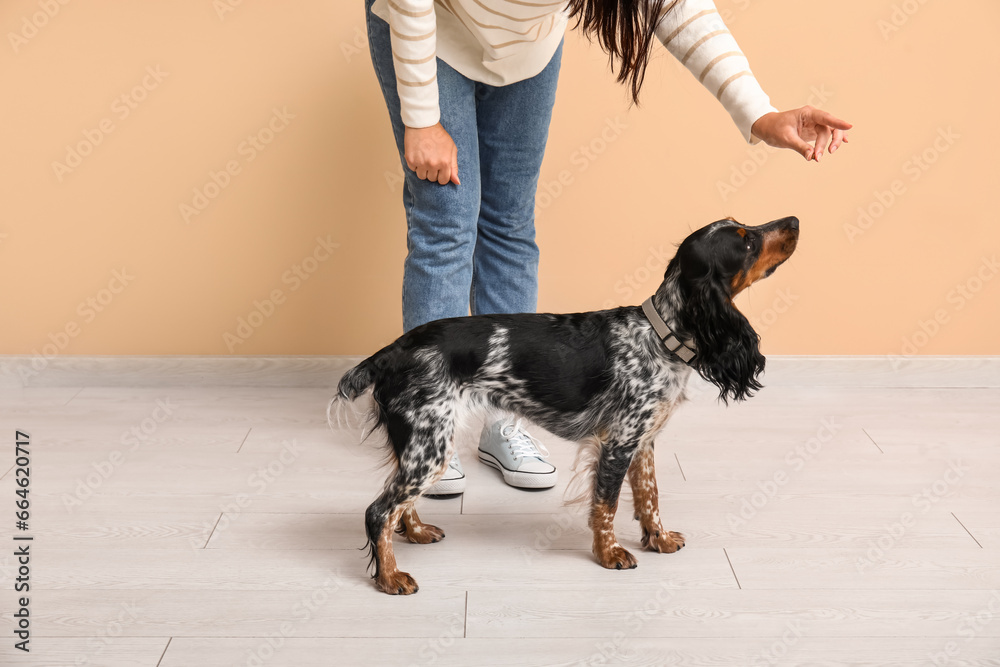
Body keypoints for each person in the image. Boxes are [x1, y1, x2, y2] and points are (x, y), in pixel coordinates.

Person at [363, 0, 851, 495]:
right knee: (447, 222)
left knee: (509, 223)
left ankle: (503, 421)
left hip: (528, 47)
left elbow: (675, 6)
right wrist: (422, 120)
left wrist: (760, 114)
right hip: (430, 25)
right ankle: (432, 424)